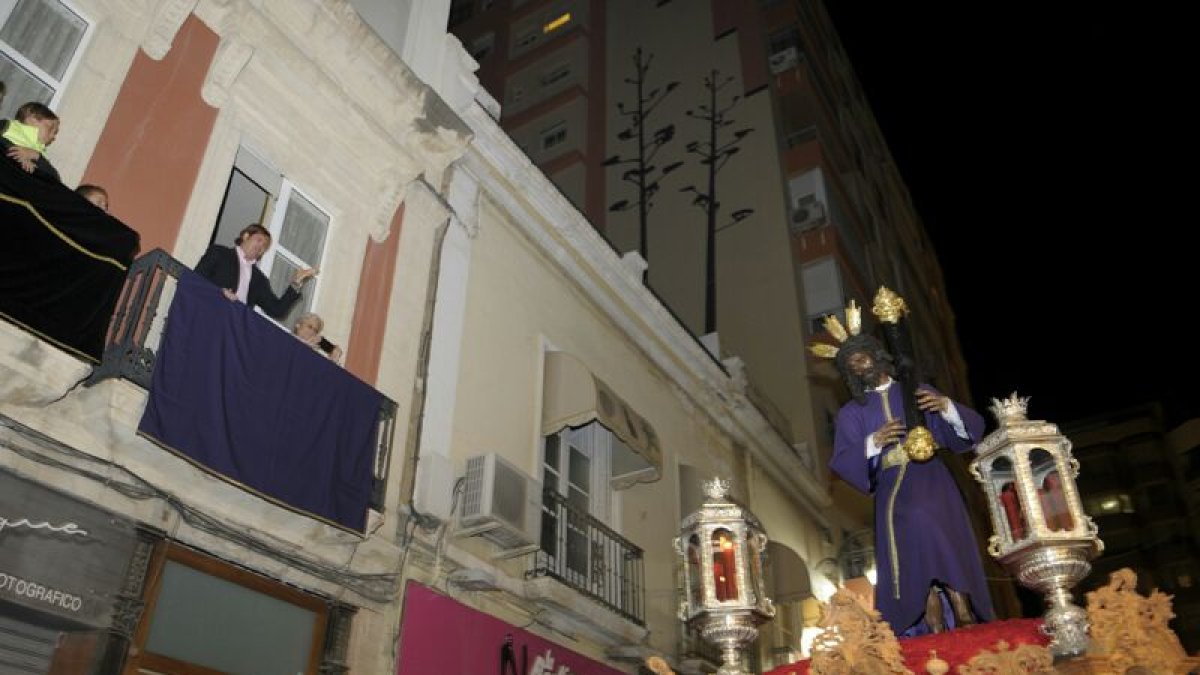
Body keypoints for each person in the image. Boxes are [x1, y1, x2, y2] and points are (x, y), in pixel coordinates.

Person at [816, 312, 994, 636]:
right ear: (848, 373)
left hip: (931, 478)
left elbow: (968, 432)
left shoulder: (915, 389)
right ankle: (932, 624)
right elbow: (842, 460)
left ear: (876, 354)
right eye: (852, 365)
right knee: (911, 548)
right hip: (892, 491)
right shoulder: (851, 413)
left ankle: (965, 614)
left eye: (862, 357)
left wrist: (945, 407)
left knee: (943, 539)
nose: (860, 366)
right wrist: (873, 442)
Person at [194, 223, 316, 320]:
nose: (260, 247)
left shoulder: (259, 279)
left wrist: (295, 283)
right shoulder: (219, 253)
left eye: (264, 247)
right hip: (207, 315)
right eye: (258, 240)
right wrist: (220, 292)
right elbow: (196, 279)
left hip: (232, 330)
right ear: (246, 236)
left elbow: (277, 310)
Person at [1, 101, 61, 182]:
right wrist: (18, 154)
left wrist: (36, 155)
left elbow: (55, 179)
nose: (53, 136)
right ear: (32, 119)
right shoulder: (7, 125)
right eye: (50, 129)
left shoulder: (39, 152)